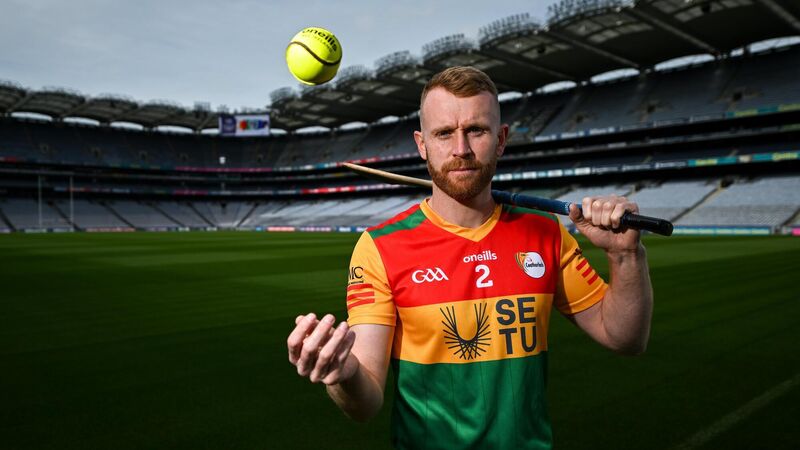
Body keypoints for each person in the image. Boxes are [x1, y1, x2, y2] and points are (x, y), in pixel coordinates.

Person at [287, 66, 653, 449]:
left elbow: (625, 338)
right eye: (444, 133)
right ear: (422, 144)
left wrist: (626, 255)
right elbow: (365, 404)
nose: (461, 149)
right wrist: (344, 374)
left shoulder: (545, 233)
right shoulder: (380, 247)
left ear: (501, 139)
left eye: (476, 130)